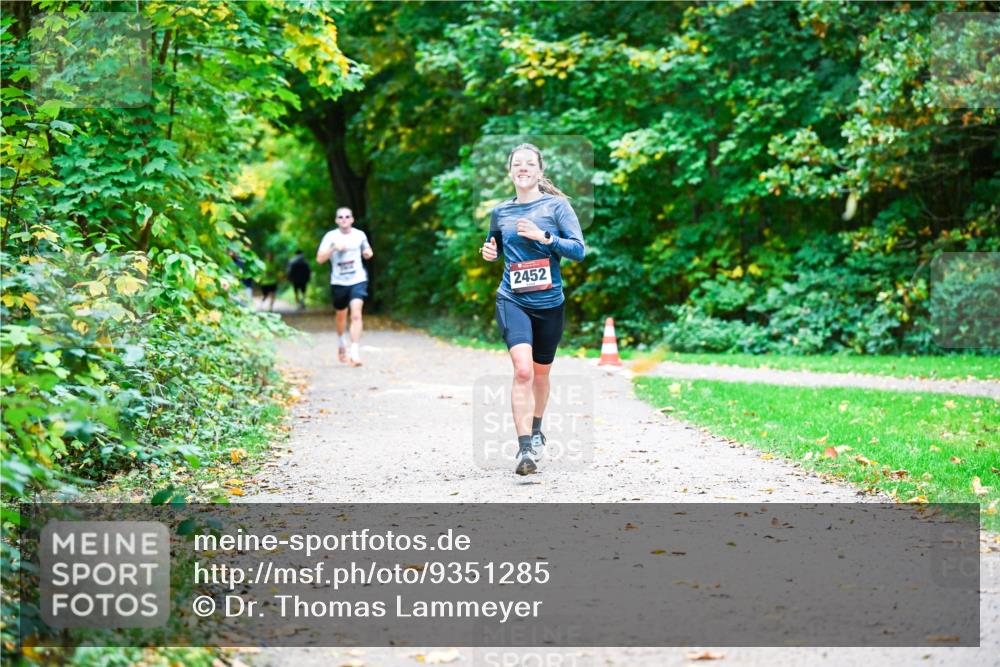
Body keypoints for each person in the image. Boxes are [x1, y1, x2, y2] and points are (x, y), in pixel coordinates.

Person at [479, 143, 585, 475]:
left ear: (539, 171)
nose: (523, 168)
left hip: (550, 302)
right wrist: (489, 252)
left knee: (541, 373)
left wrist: (545, 237)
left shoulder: (557, 206)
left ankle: (537, 428)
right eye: (517, 164)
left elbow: (578, 250)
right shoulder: (501, 211)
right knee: (522, 371)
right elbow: (493, 243)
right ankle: (525, 449)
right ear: (510, 172)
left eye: (529, 164)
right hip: (512, 298)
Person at [317, 207, 373, 366]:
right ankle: (341, 341)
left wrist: (368, 253)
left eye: (347, 216)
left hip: (357, 279)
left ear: (352, 219)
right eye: (340, 217)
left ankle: (354, 352)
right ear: (336, 220)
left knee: (356, 314)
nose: (344, 219)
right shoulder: (330, 237)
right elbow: (320, 259)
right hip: (338, 282)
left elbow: (367, 250)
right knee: (341, 315)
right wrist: (334, 248)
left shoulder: (359, 234)